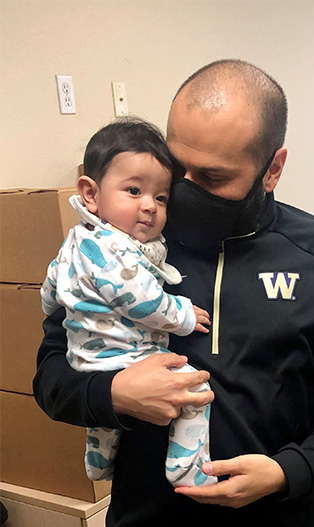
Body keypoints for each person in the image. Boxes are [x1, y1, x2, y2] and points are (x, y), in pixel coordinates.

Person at [34, 59, 314, 527]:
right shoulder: (125, 245)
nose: (179, 193)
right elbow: (49, 377)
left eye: (212, 178)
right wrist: (110, 393)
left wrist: (289, 471)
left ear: (272, 169)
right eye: (175, 168)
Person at [40, 117, 217, 487]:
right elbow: (144, 302)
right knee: (195, 389)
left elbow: (51, 285)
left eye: (161, 197)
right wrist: (183, 315)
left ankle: (98, 460)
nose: (150, 206)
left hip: (86, 358)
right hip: (122, 356)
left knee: (107, 418)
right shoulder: (115, 249)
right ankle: (186, 469)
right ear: (91, 193)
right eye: (134, 191)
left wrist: (61, 303)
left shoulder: (76, 238)